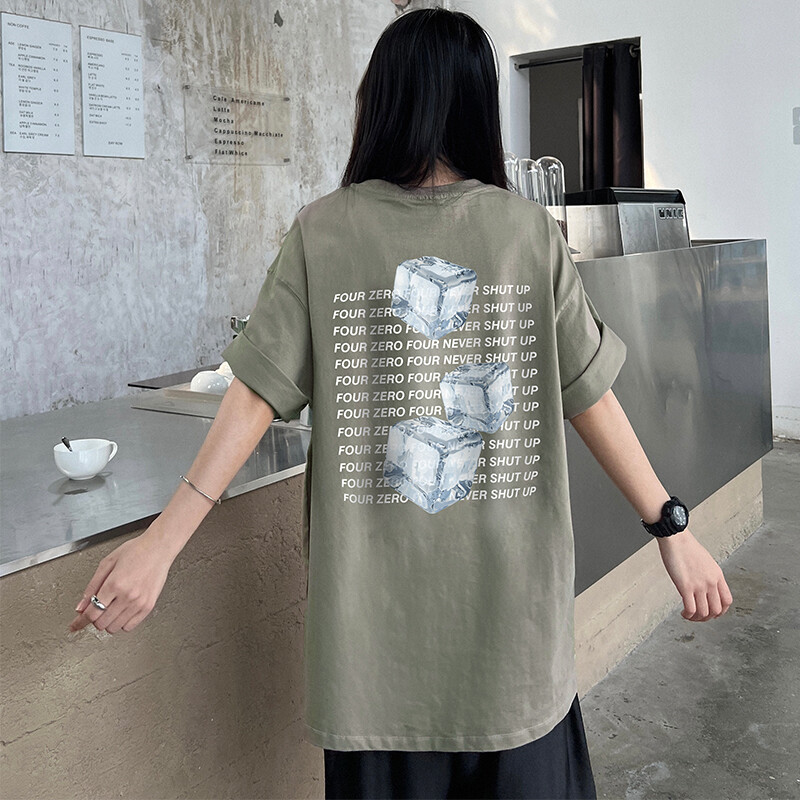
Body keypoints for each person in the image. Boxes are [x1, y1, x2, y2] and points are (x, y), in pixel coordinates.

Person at [68, 8, 733, 799]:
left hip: (373, 661)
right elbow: (593, 398)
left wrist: (161, 544)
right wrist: (671, 528)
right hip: (513, 650)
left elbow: (252, 399)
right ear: (477, 104)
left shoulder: (321, 232)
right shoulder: (528, 234)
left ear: (379, 102)